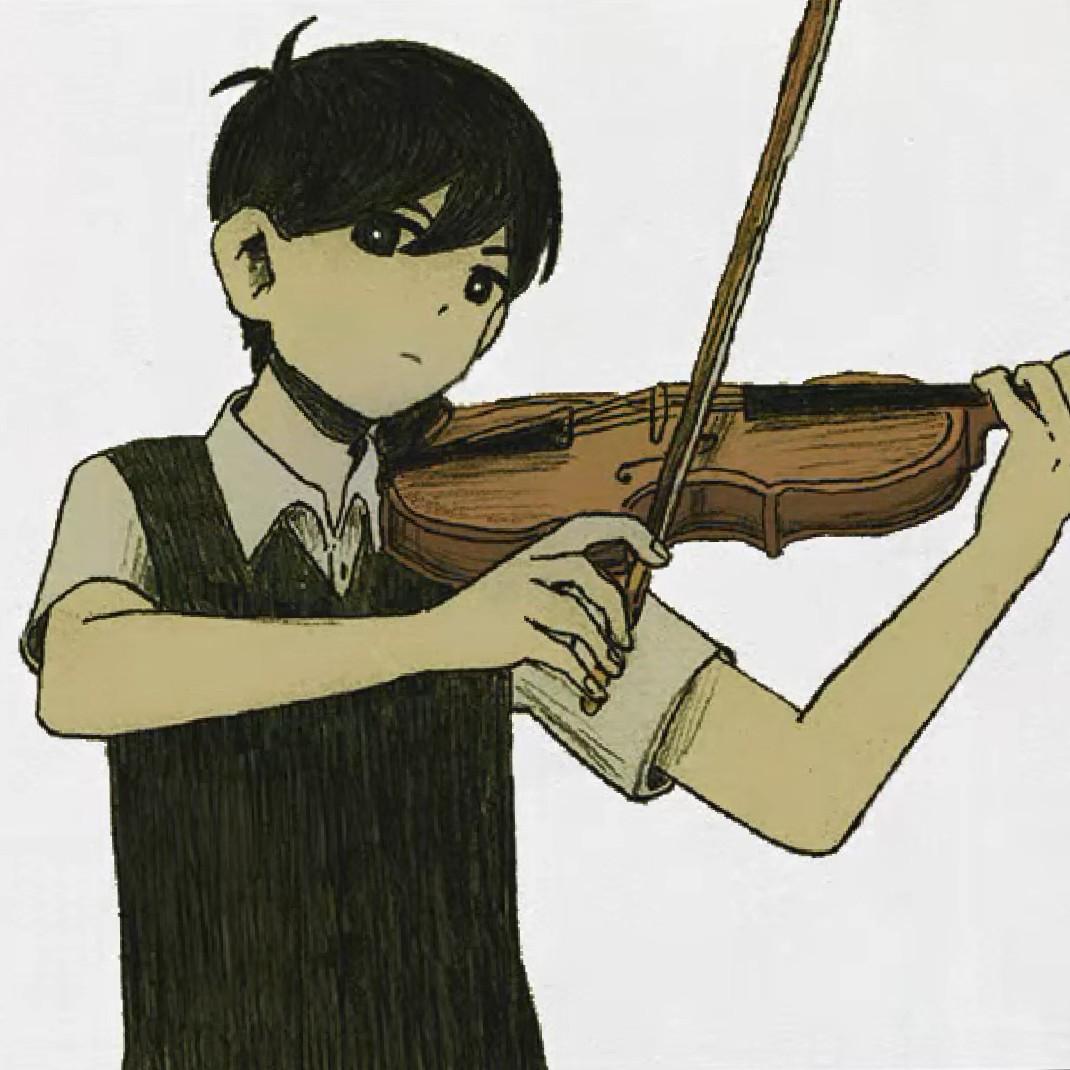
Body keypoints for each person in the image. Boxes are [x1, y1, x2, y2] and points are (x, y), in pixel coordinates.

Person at [21, 17, 1070, 1069]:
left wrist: (1003, 550)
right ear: (253, 262)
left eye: (485, 279)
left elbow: (804, 788)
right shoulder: (135, 493)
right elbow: (82, 676)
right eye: (386, 239)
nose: (445, 302)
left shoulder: (496, 543)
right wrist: (438, 638)